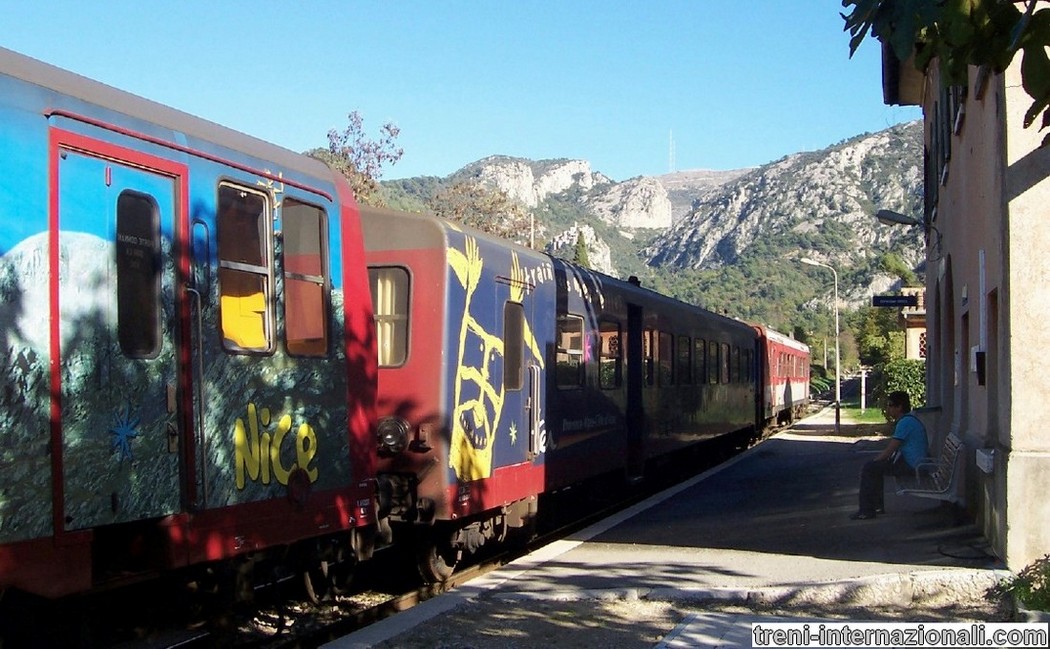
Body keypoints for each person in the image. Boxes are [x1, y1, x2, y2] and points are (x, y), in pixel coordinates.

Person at [850, 390, 929, 520]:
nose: (888, 408)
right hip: (914, 462)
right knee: (876, 468)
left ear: (899, 407)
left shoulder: (905, 423)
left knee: (869, 468)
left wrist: (875, 461)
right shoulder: (909, 420)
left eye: (891, 405)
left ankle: (866, 511)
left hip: (912, 465)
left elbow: (890, 450)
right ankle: (876, 506)